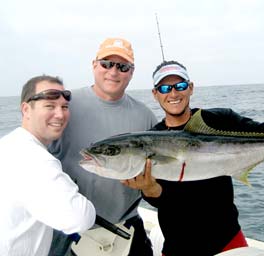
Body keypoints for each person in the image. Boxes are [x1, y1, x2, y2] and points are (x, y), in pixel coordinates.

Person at [122, 60, 264, 256]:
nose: (174, 93)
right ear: (155, 94)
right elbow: (164, 201)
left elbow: (259, 132)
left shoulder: (220, 120)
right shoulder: (151, 140)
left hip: (228, 239)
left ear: (191, 88)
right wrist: (151, 190)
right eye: (164, 88)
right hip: (179, 246)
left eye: (180, 86)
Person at [48, 37, 158, 255]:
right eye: (106, 63)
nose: (113, 72)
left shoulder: (145, 117)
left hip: (126, 226)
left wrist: (149, 186)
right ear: (94, 65)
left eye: (122, 66)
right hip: (70, 232)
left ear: (131, 72)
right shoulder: (64, 106)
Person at [0, 75, 96, 256]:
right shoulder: (36, 159)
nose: (60, 114)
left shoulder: (8, 144)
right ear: (26, 109)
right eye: (49, 106)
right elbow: (81, 218)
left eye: (64, 107)